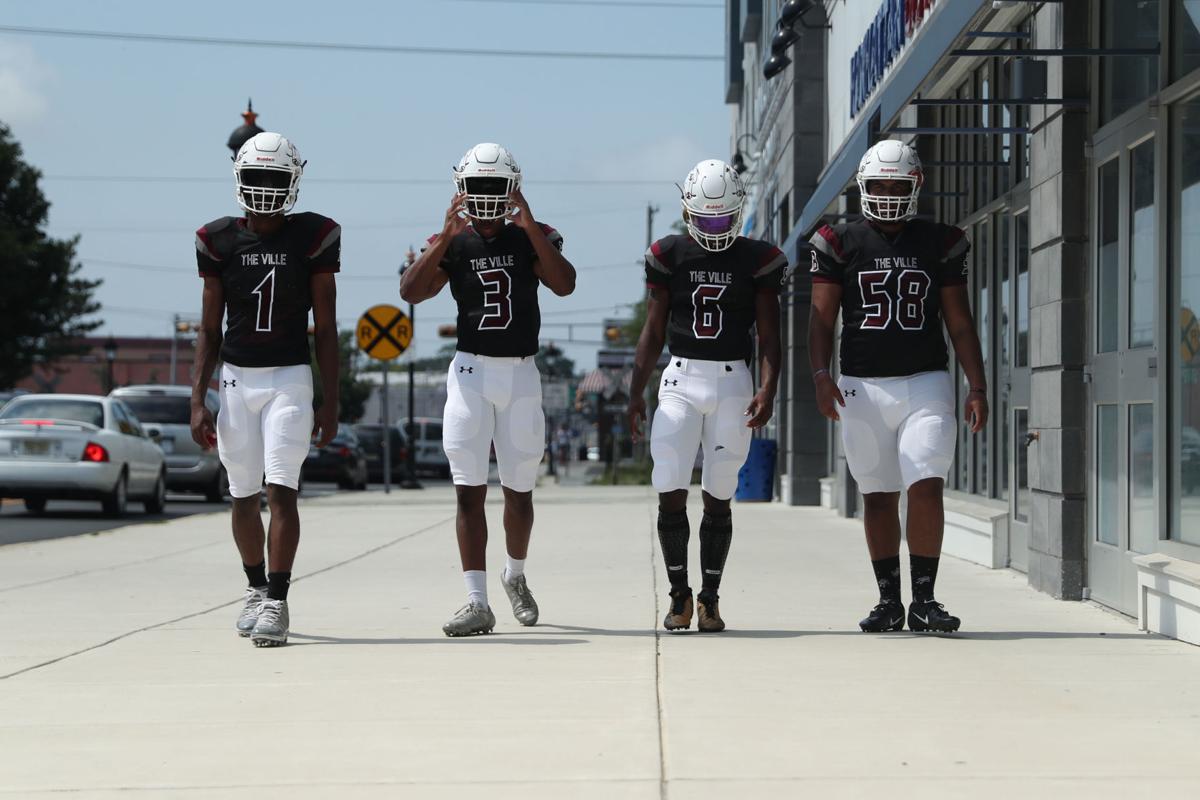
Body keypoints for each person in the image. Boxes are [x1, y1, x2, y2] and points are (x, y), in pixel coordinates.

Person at [807, 139, 987, 634]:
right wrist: (820, 375)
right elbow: (821, 320)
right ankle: (889, 601)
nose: (887, 194)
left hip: (925, 380)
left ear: (916, 185)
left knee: (926, 481)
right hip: (861, 386)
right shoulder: (839, 241)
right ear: (863, 187)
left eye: (897, 185)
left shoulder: (940, 241)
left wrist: (977, 385)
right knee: (878, 494)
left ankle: (924, 600)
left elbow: (960, 321)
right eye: (879, 185)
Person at [399, 143, 576, 636]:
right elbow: (411, 291)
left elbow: (564, 284)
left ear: (513, 188)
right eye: (477, 186)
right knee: (468, 492)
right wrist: (443, 238)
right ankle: (476, 601)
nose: (485, 196)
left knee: (519, 493)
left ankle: (514, 575)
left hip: (521, 374)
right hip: (471, 374)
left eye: (494, 186)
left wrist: (531, 226)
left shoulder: (534, 236)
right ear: (461, 189)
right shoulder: (453, 240)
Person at [190, 131, 341, 647]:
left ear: (293, 181)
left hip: (289, 379)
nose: (265, 187)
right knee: (241, 494)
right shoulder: (218, 239)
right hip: (236, 379)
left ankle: (277, 598)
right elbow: (208, 328)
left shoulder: (313, 236)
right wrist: (197, 399)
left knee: (281, 490)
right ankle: (255, 588)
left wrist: (331, 399)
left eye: (274, 177)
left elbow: (326, 327)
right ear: (239, 177)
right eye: (256, 176)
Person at [627, 159, 786, 633]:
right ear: (688, 213)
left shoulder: (757, 259)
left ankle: (709, 597)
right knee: (669, 481)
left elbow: (770, 336)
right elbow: (653, 330)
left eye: (723, 219)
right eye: (706, 219)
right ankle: (679, 594)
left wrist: (768, 388)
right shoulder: (670, 254)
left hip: (734, 380)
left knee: (720, 491)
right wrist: (635, 393)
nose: (715, 229)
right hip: (680, 378)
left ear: (738, 212)